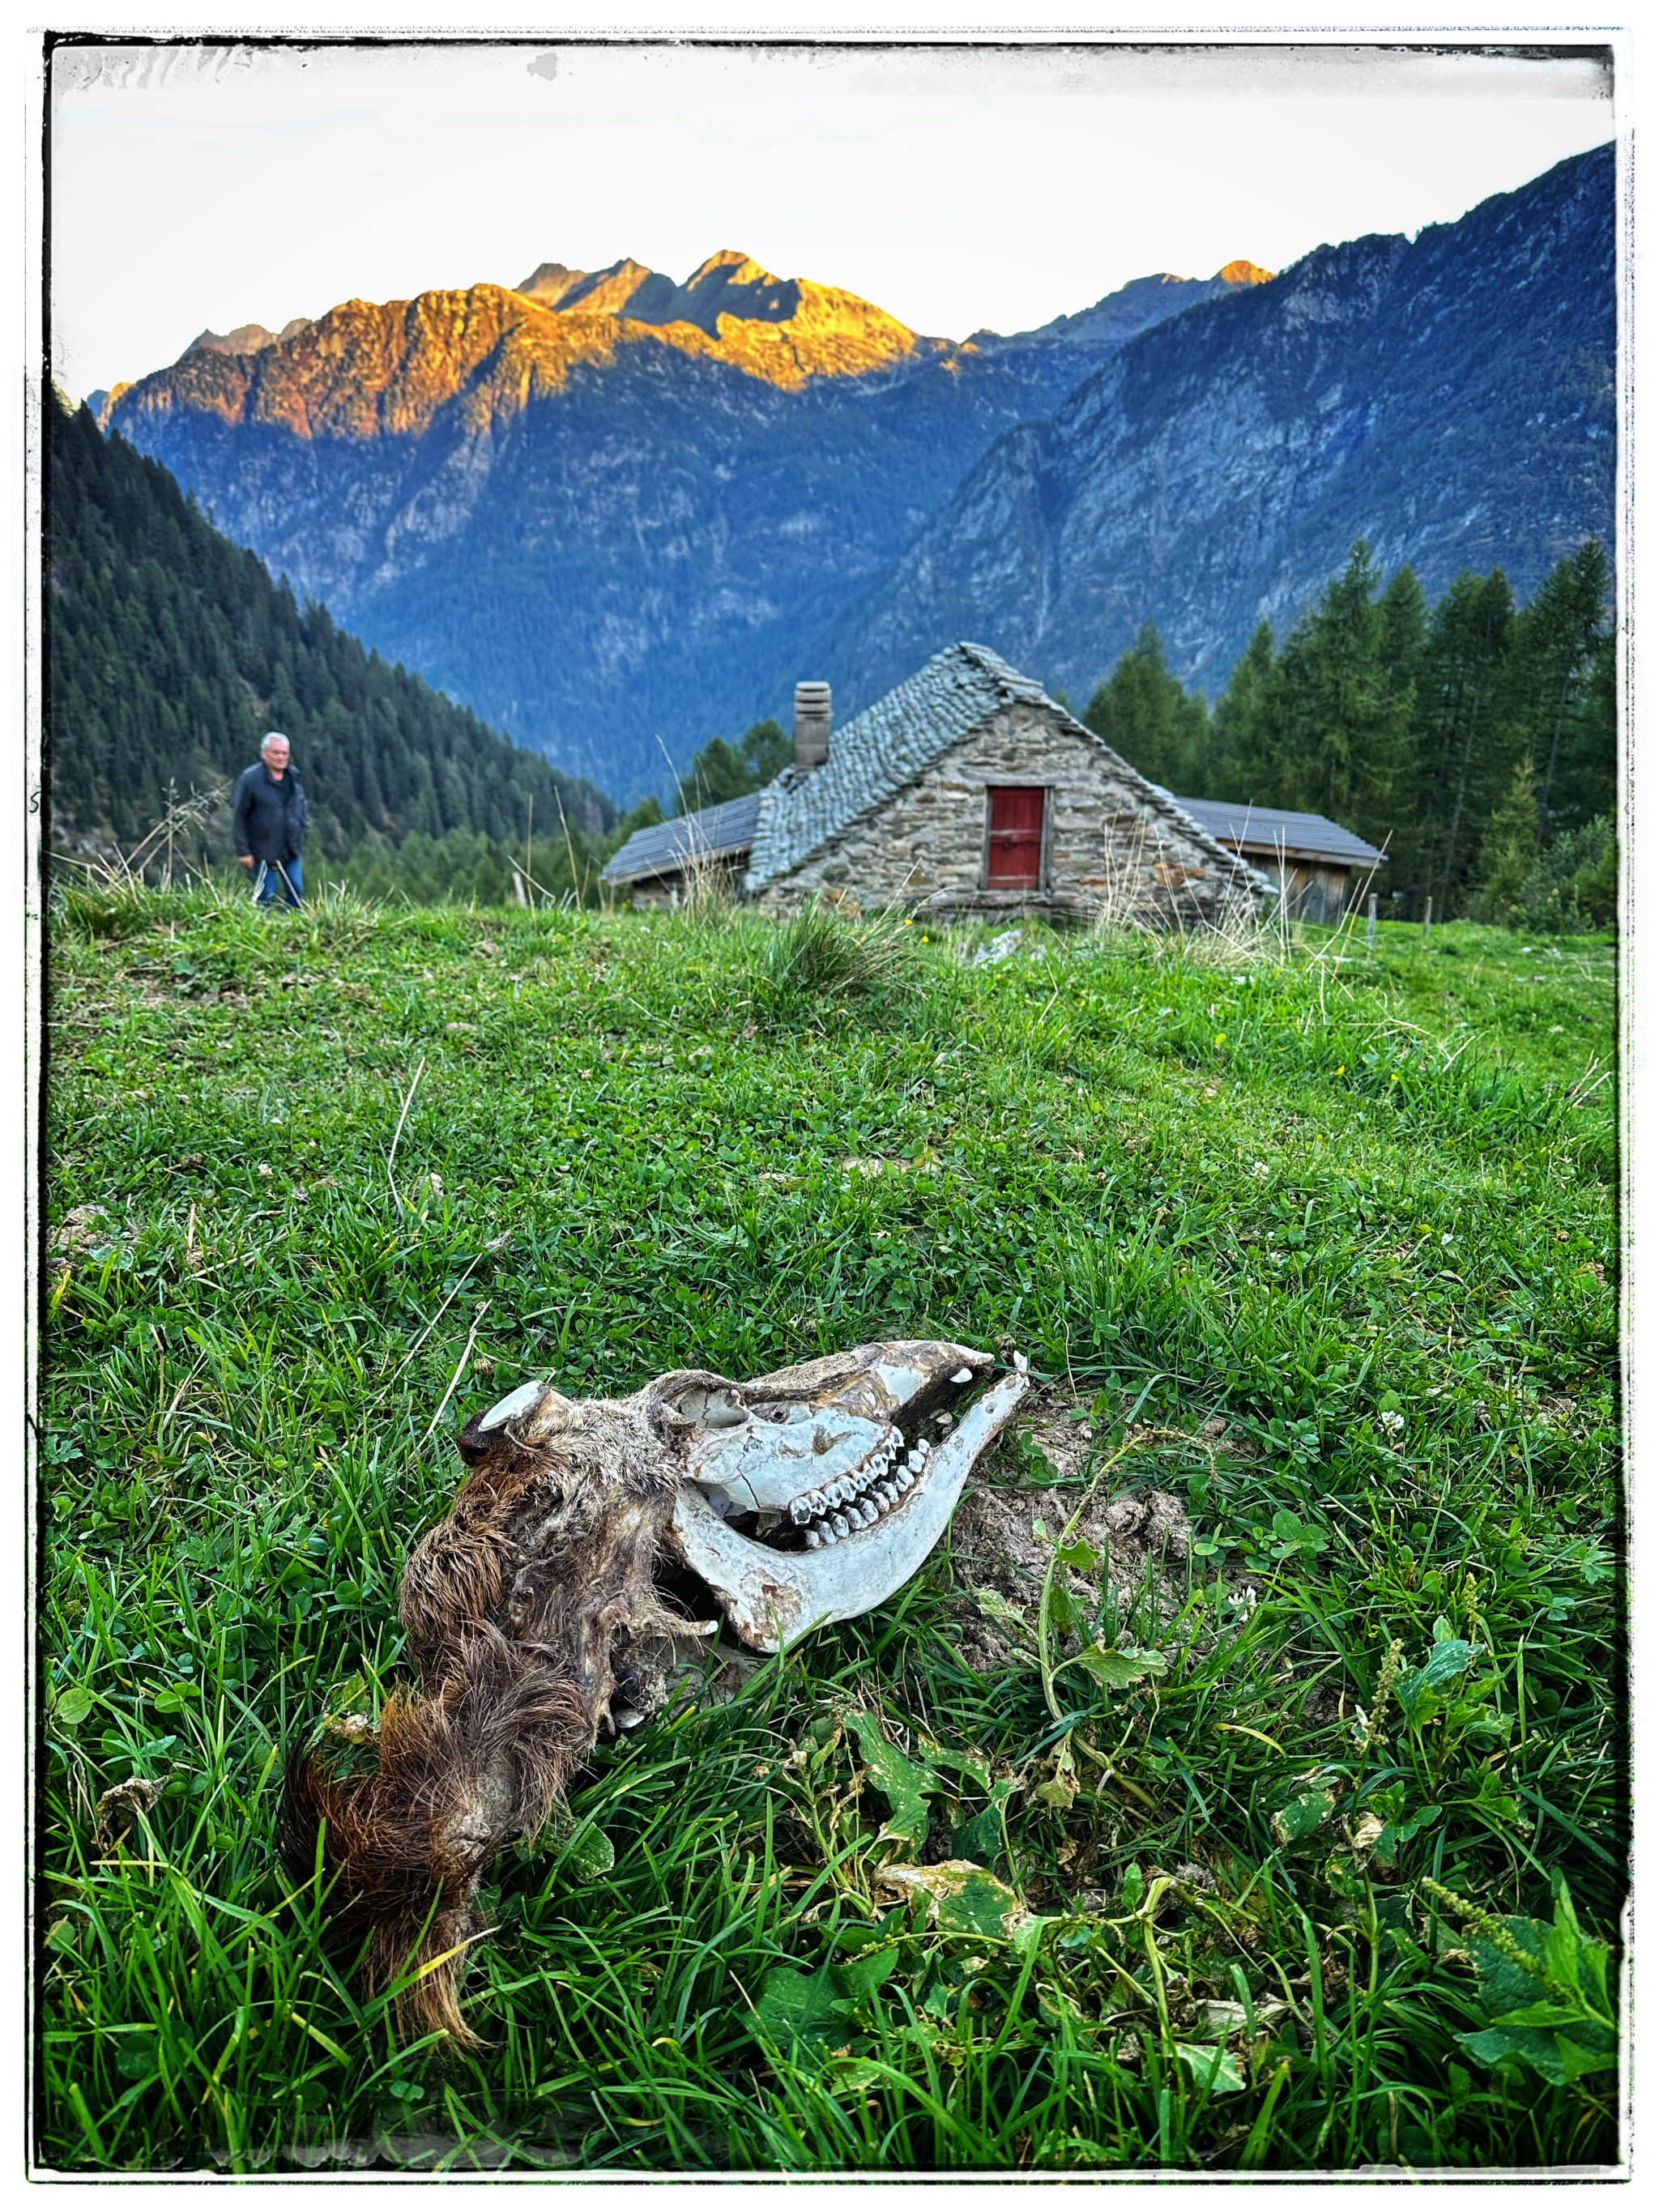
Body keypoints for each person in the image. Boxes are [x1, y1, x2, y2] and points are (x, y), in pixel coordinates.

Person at [233, 731, 309, 907]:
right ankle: (260, 922)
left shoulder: (293, 778)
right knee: (267, 893)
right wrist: (243, 851)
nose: (280, 757)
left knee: (296, 889)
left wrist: (303, 831)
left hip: (291, 848)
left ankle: (293, 922)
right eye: (275, 752)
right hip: (262, 850)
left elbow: (302, 808)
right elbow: (240, 815)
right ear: (264, 753)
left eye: (284, 753)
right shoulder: (250, 779)